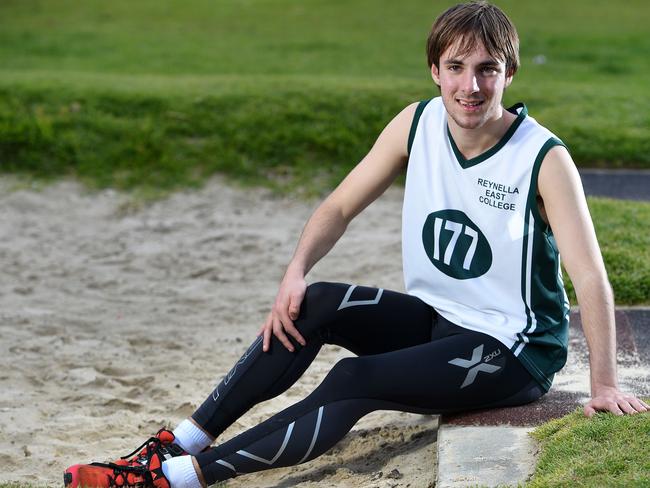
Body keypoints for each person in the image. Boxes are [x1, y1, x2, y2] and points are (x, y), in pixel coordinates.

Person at [64, 2, 648, 487]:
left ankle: (175, 479)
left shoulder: (543, 158)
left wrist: (603, 385)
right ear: (434, 71)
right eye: (457, 67)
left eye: (488, 69)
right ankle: (176, 442)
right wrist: (293, 273)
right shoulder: (416, 125)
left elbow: (591, 277)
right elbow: (340, 205)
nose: (471, 85)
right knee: (311, 303)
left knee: (354, 379)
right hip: (440, 319)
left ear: (509, 73)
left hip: (511, 349)